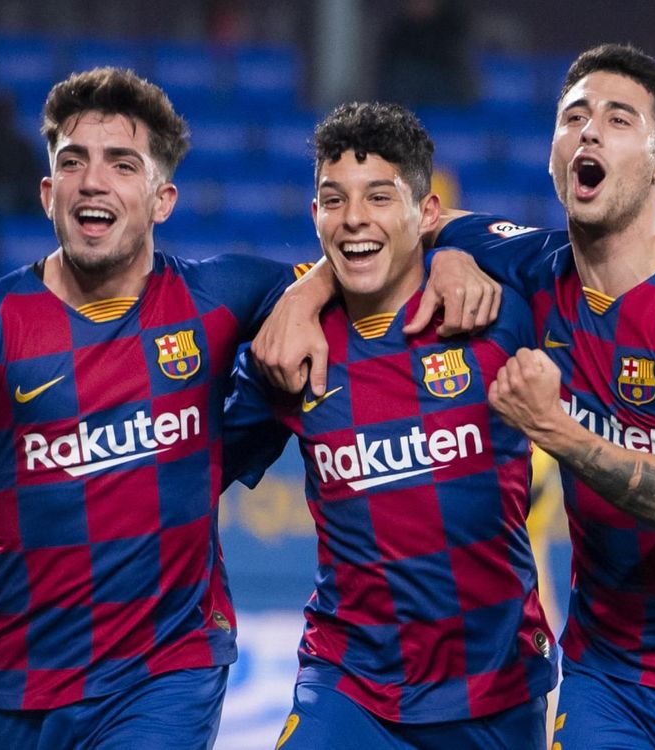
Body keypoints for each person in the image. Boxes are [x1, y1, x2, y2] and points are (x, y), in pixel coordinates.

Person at [252, 43, 655, 748]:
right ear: (554, 155)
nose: (588, 131)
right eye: (574, 116)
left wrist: (554, 429)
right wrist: (306, 292)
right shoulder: (534, 268)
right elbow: (400, 222)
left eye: (618, 120)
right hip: (607, 669)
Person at [0, 66, 308, 750]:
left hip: (168, 670)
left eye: (121, 164)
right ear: (48, 191)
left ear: (163, 198)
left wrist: (449, 256)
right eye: (72, 161)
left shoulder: (220, 299)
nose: (92, 180)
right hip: (23, 681)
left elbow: (366, 268)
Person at [225, 101, 557, 748]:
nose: (353, 218)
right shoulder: (289, 346)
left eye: (380, 196)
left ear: (426, 213)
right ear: (313, 214)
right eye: (333, 200)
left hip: (494, 684)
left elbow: (599, 273)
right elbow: (185, 471)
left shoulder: (496, 312)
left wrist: (456, 249)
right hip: (350, 685)